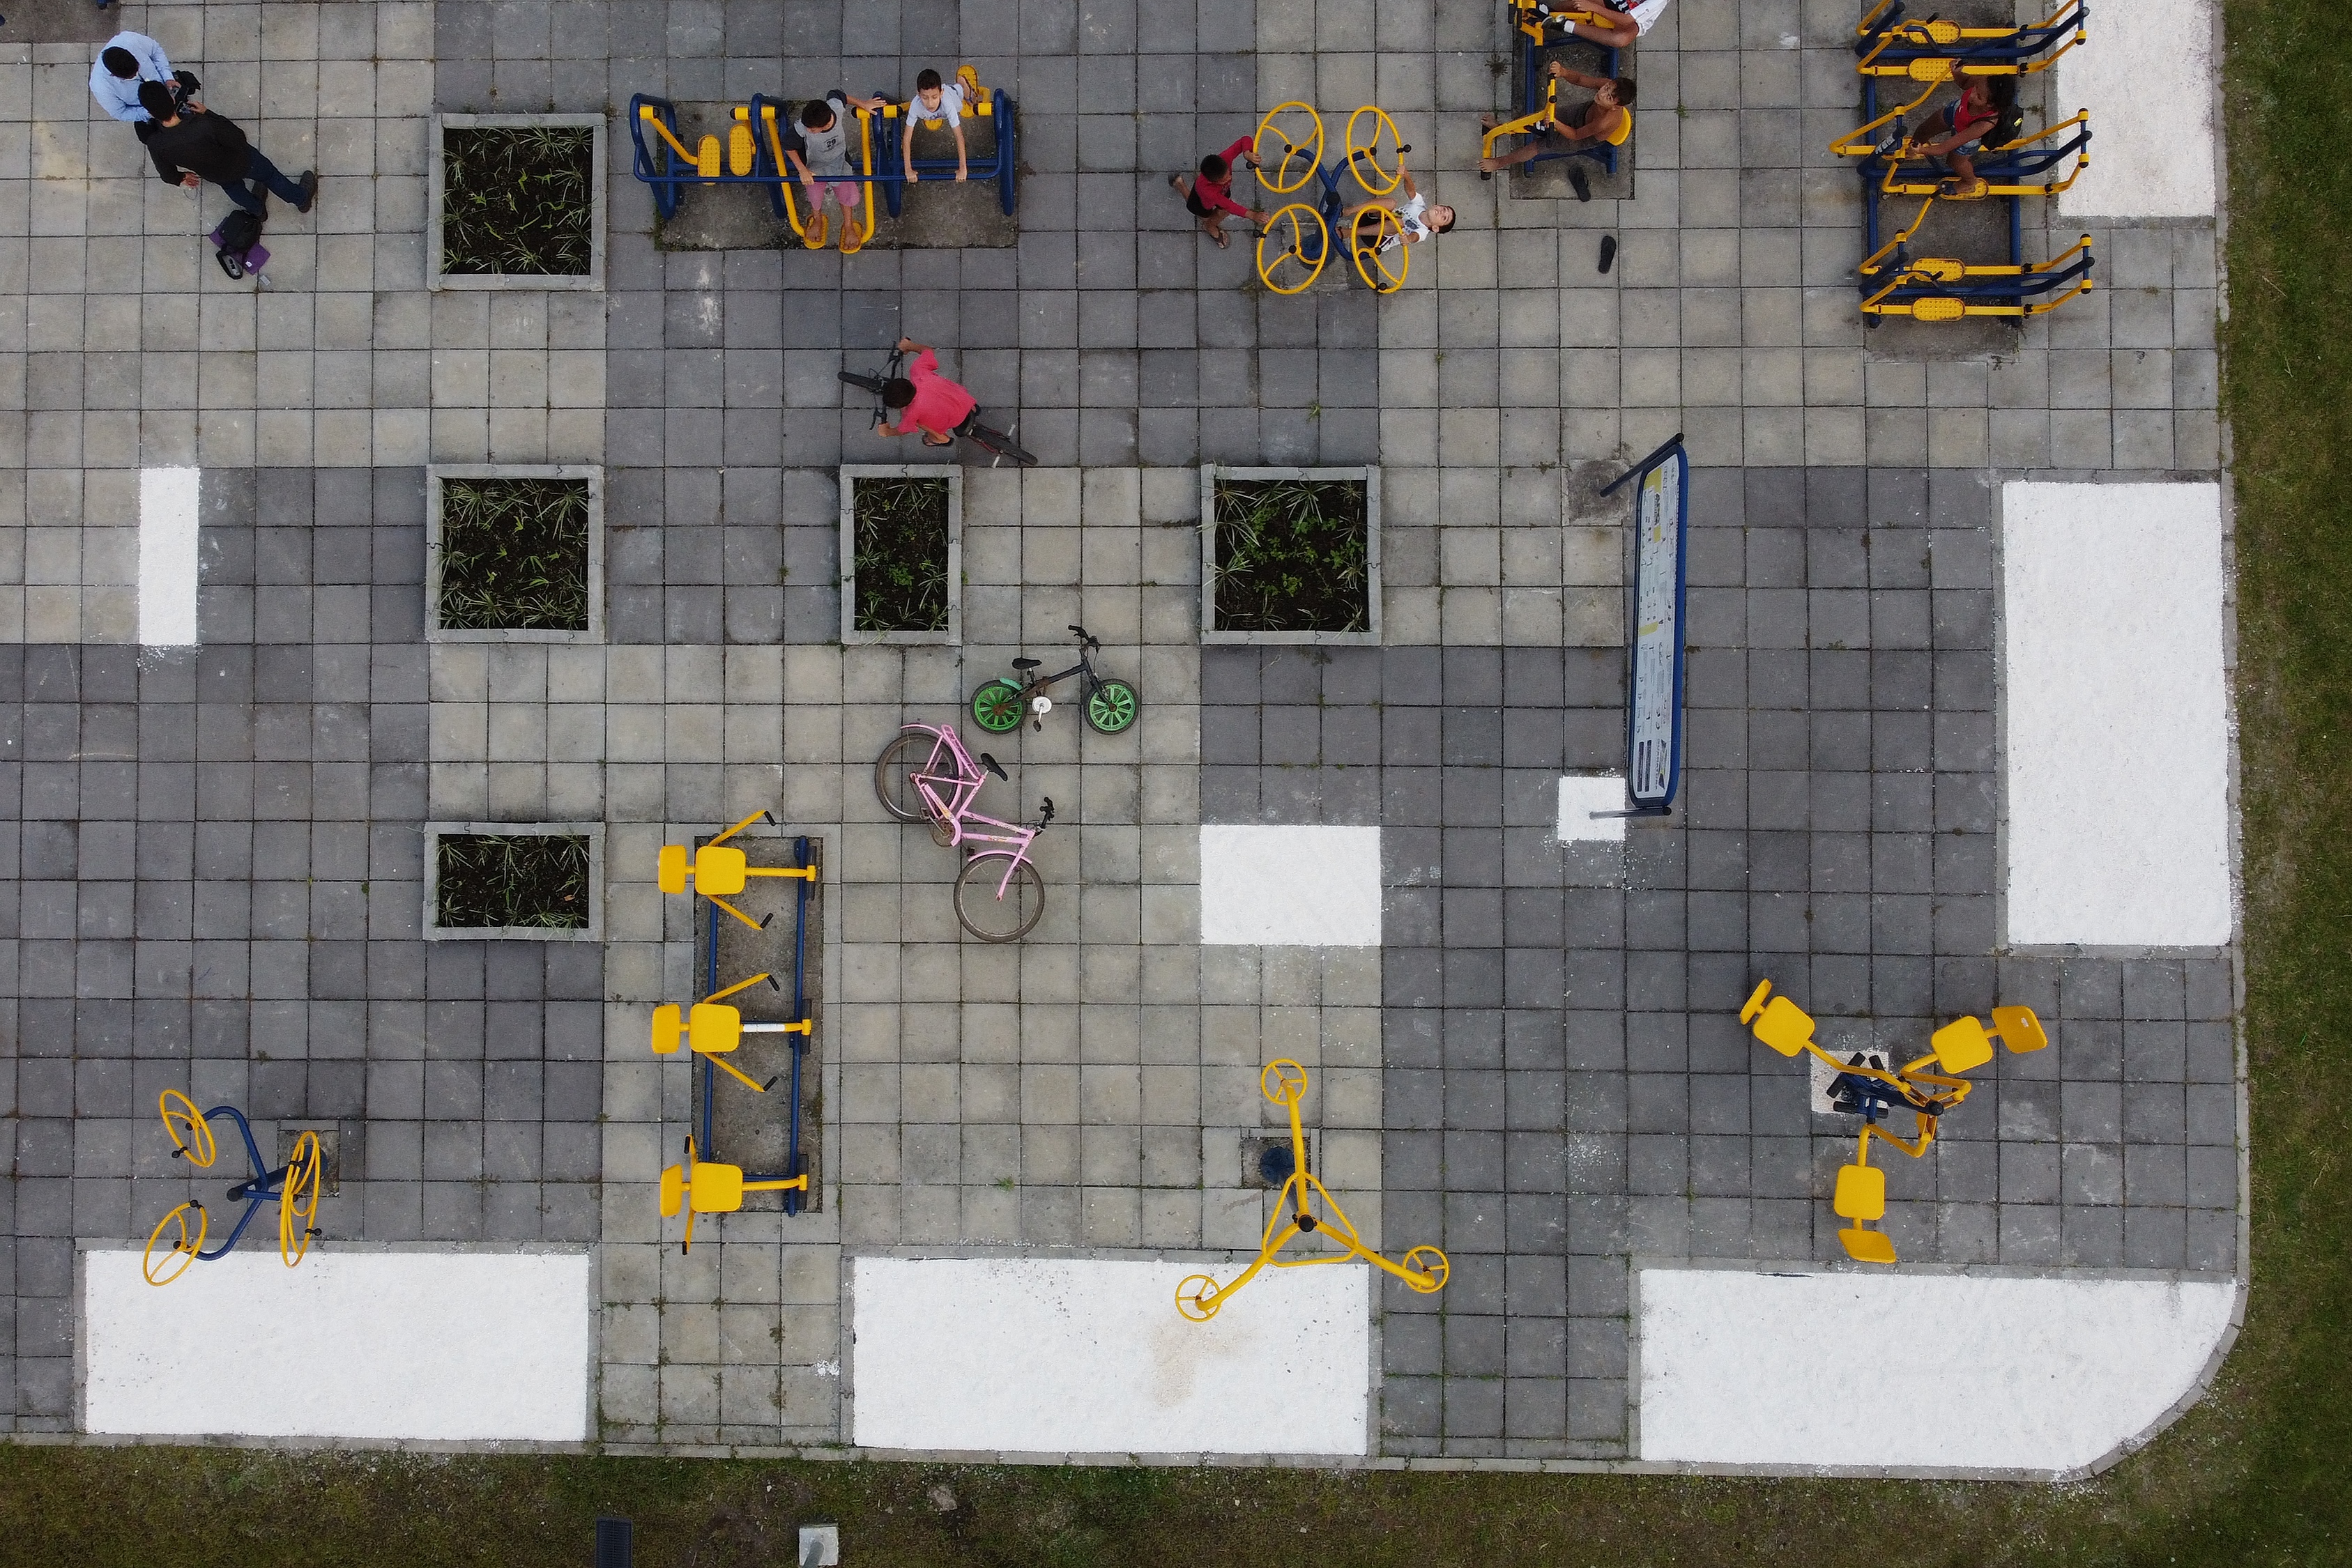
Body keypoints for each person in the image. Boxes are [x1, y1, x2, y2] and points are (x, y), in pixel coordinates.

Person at [139, 82, 314, 219]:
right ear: (172, 100)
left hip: (215, 174)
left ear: (150, 113)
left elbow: (168, 176)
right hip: (243, 161)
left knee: (234, 190)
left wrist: (182, 177)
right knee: (270, 177)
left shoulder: (156, 144)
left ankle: (258, 210)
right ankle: (301, 199)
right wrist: (208, 113)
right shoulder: (202, 123)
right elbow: (238, 138)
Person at [1479, 65, 1634, 195]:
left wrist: (1556, 124)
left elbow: (1576, 135)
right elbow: (1580, 79)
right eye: (1606, 88)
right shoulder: (1605, 86)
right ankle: (1500, 128)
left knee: (1537, 147)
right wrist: (1563, 72)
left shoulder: (1604, 122)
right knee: (1535, 118)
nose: (1602, 94)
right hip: (1582, 113)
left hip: (1582, 137)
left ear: (1616, 107)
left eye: (1608, 97)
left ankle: (1499, 162)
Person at [786, 89, 888, 251]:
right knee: (814, 195)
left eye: (812, 129)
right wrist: (802, 170)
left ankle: (848, 225)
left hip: (840, 162)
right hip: (814, 167)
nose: (808, 131)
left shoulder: (836, 109)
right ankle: (817, 219)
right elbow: (789, 146)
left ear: (826, 124)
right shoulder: (802, 128)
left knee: (847, 195)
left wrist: (864, 104)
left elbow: (840, 95)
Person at [1910, 75, 2015, 197]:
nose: (1972, 94)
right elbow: (1964, 82)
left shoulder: (1984, 124)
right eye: (1975, 88)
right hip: (1957, 111)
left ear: (1989, 105)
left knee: (1955, 162)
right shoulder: (1982, 82)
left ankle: (1969, 182)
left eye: (1979, 97)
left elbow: (1944, 148)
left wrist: (1923, 150)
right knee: (1925, 129)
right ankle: (1912, 148)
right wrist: (1957, 72)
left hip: (1967, 137)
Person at [89, 30, 195, 141]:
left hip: (167, 88)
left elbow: (156, 51)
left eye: (137, 69)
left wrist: (168, 77)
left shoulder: (129, 40)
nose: (136, 75)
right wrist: (150, 112)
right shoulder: (101, 87)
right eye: (131, 77)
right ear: (113, 75)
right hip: (148, 111)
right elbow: (120, 113)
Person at [1168, 136, 1268, 249]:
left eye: (1228, 173)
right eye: (1224, 179)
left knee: (1223, 212)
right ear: (1212, 182)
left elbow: (1245, 139)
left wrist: (1247, 153)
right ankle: (1209, 227)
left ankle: (1179, 182)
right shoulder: (1208, 190)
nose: (1229, 178)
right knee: (1207, 216)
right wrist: (1253, 215)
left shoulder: (1225, 158)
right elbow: (1228, 206)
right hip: (1202, 204)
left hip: (1222, 192)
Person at [880, 337, 979, 447]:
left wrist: (886, 432)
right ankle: (974, 408)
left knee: (919, 423)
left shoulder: (911, 413)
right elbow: (928, 351)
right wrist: (910, 346)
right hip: (966, 402)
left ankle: (942, 440)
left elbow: (902, 430)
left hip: (955, 421)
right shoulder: (918, 371)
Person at [1345, 162, 1454, 254]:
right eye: (1444, 209)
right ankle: (1348, 211)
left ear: (1435, 228)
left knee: (1398, 223)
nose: (1441, 212)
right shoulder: (1419, 204)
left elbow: (1414, 237)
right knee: (1391, 203)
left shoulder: (1422, 232)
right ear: (1437, 205)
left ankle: (1350, 232)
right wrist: (1405, 175)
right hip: (1372, 219)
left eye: (1444, 217)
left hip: (1378, 239)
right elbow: (1411, 190)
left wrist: (1407, 239)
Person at [901, 66, 975, 185]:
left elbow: (959, 136)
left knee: (971, 101)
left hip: (953, 95)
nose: (930, 103)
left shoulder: (948, 103)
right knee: (931, 113)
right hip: (940, 112)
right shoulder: (915, 105)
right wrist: (908, 169)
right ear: (918, 94)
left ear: (941, 93)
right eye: (925, 97)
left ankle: (962, 84)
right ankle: (934, 116)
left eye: (934, 97)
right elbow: (906, 139)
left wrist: (963, 168)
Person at [1546, 0, 1671, 47]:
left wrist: (1594, 8)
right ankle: (1549, 12)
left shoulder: (1657, 1)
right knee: (1576, 4)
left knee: (1620, 40)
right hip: (1619, 3)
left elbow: (1626, 20)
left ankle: (1564, 25)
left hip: (1631, 20)